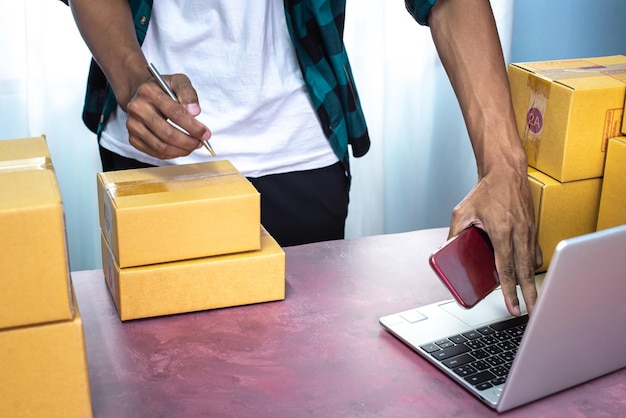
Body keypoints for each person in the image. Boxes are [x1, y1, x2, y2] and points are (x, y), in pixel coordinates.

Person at [65, 0, 542, 317]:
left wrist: (503, 165)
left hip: (301, 158)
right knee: (155, 377)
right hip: (150, 160)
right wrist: (131, 76)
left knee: (301, 381)